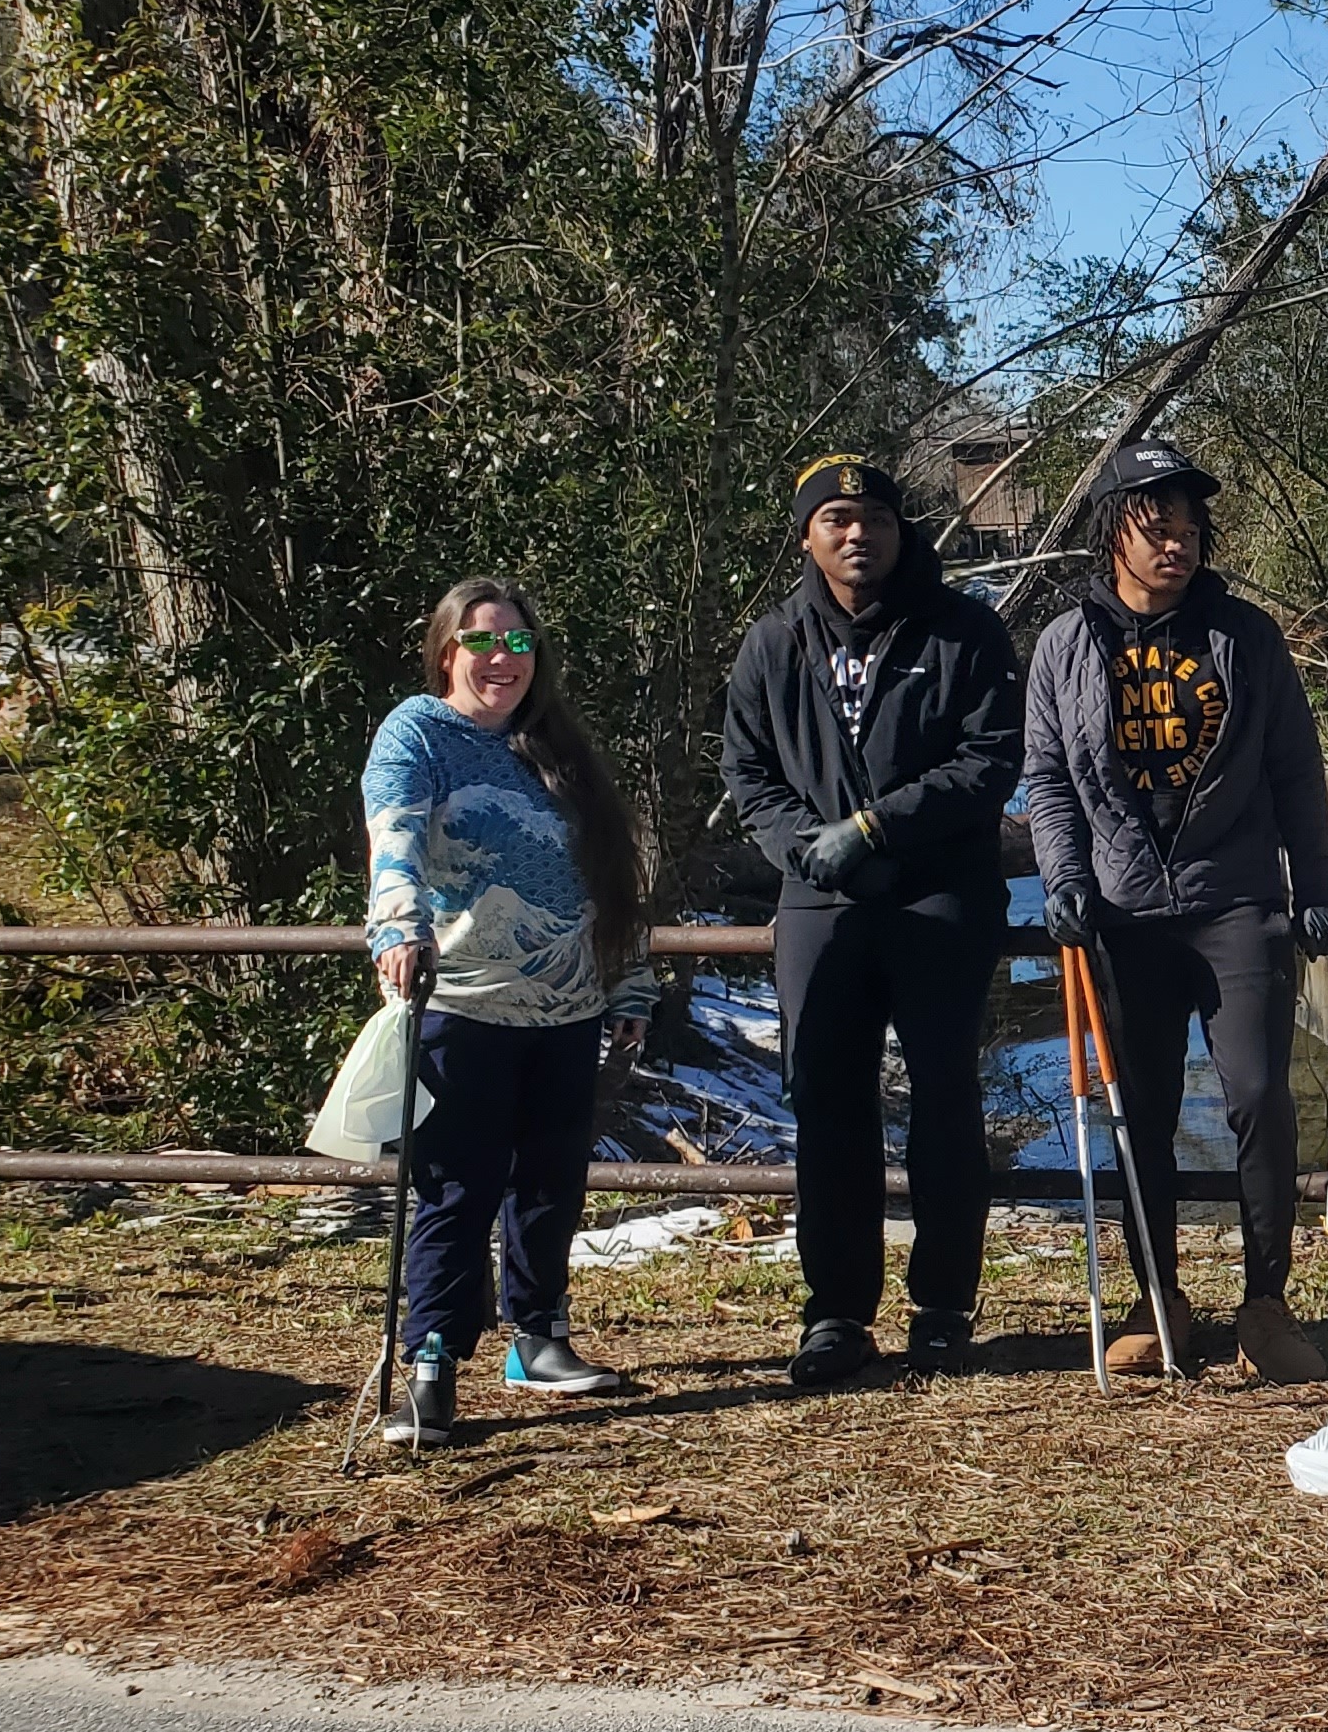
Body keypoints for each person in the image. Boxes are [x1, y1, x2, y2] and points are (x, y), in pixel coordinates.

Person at [1024, 440, 1328, 1382]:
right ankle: (1155, 1296)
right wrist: (1063, 878)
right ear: (1111, 534)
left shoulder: (1246, 638)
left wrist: (1317, 890)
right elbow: (1047, 777)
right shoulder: (1065, 644)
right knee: (1144, 1113)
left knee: (1257, 1098)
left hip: (1235, 902)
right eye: (1156, 528)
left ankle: (1265, 1302)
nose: (1176, 546)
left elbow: (1296, 767)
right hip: (1123, 914)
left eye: (1190, 530)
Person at [720, 455, 1025, 1386]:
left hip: (939, 898)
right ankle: (838, 1313)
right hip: (821, 906)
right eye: (839, 519)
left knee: (944, 1102)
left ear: (903, 532)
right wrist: (798, 844)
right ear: (810, 534)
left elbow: (991, 759)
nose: (860, 536)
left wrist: (877, 826)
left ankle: (942, 1307)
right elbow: (747, 772)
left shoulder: (964, 631)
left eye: (877, 520)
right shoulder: (774, 643)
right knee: (828, 1106)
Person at [363, 579, 656, 1447]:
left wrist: (629, 984)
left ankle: (540, 1339)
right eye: (483, 643)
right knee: (458, 1187)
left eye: (519, 646)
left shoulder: (554, 747)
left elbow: (611, 881)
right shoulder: (420, 732)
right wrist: (396, 924)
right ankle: (431, 1365)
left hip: (566, 1009)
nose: (502, 661)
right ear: (446, 650)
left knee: (550, 1181)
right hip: (462, 1002)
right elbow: (394, 834)